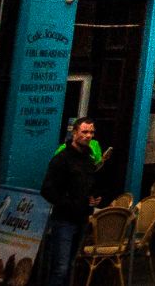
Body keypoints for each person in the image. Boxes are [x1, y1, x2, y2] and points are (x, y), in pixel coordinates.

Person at [40, 118, 102, 286]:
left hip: (82, 219)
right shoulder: (62, 159)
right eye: (84, 132)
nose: (88, 136)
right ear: (75, 133)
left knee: (71, 265)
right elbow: (47, 190)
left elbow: (90, 185)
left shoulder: (89, 160)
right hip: (64, 220)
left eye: (91, 132)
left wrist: (94, 197)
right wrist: (68, 203)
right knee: (60, 267)